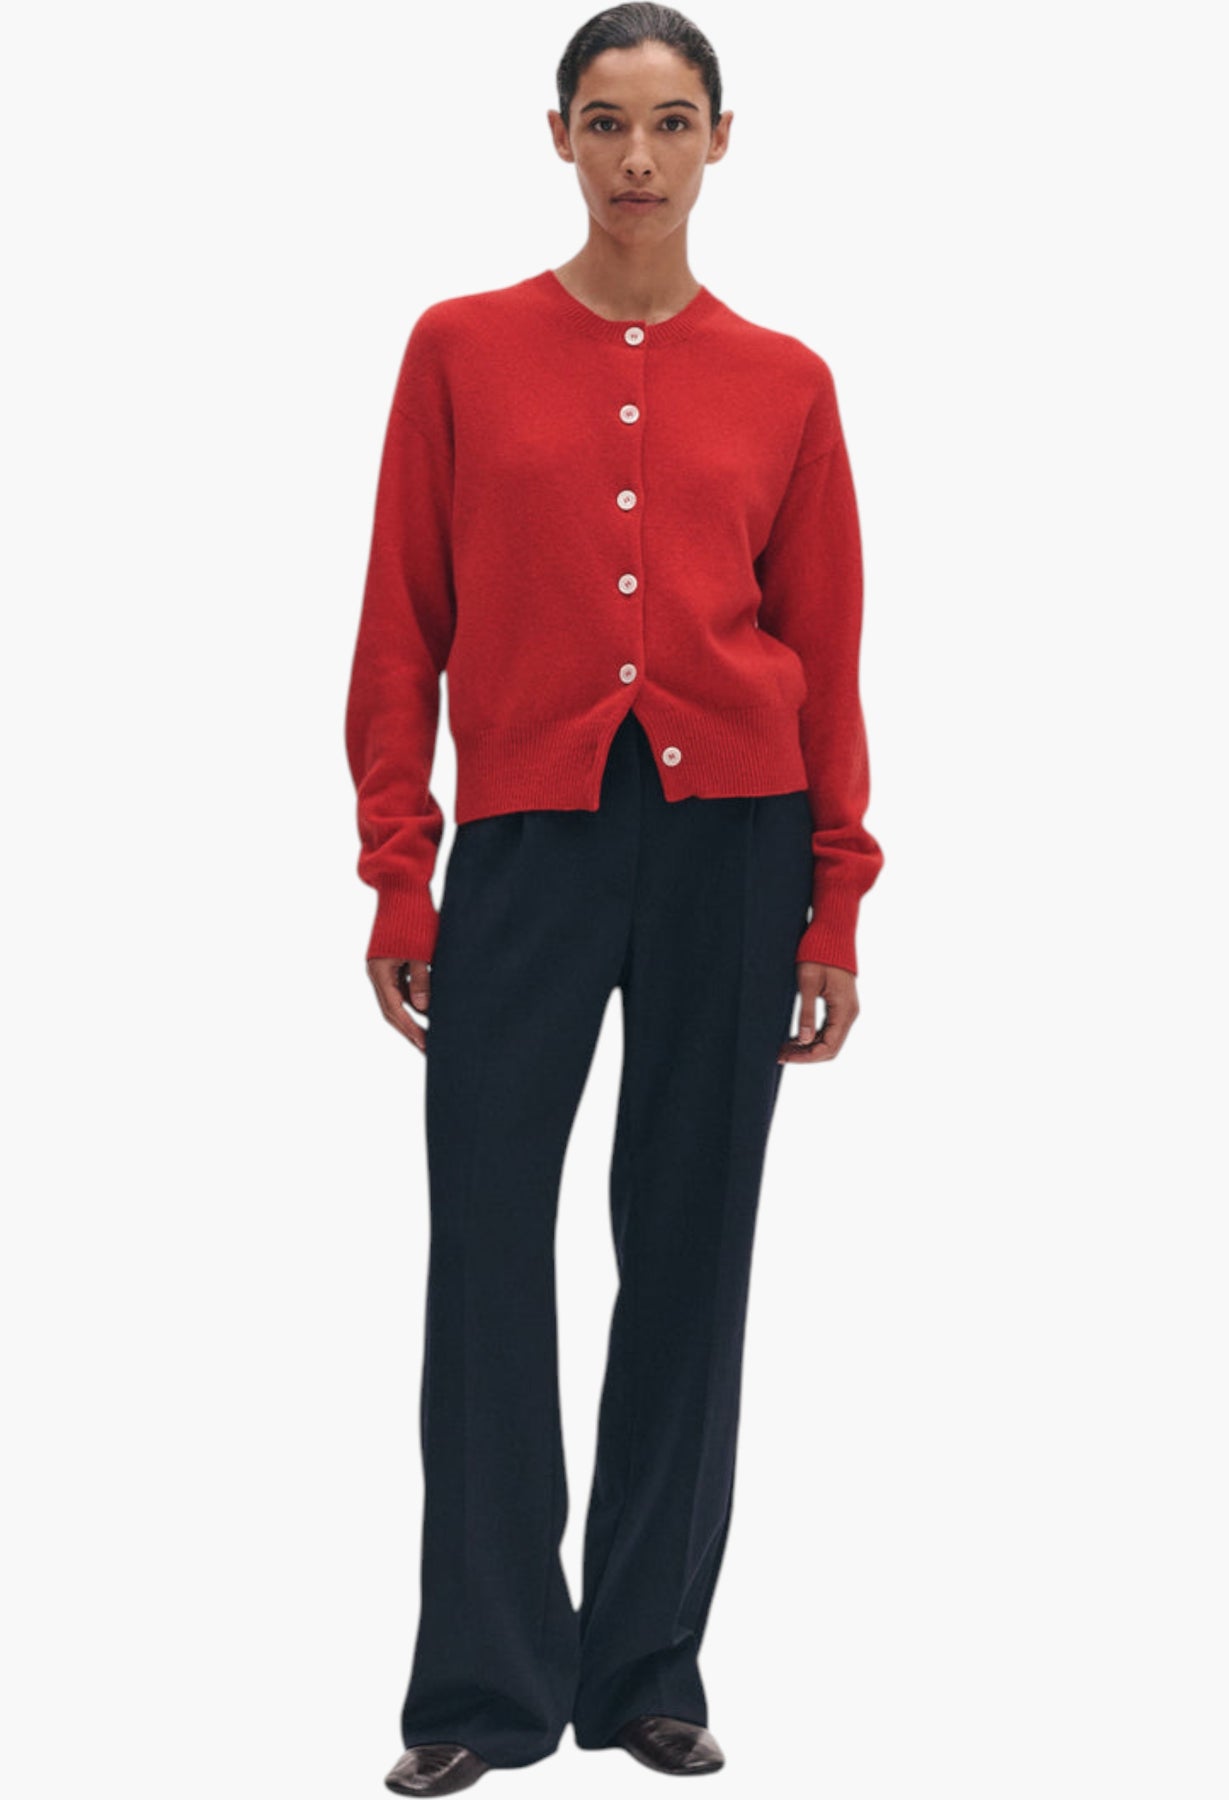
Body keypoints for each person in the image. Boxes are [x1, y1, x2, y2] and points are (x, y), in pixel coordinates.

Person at [344, 5, 884, 1792]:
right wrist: (399, 867)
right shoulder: (459, 349)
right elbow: (400, 623)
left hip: (736, 842)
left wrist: (833, 897)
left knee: (691, 1252)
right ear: (558, 137)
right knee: (488, 1255)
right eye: (603, 121)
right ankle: (480, 1691)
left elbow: (824, 653)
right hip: (526, 842)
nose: (635, 157)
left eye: (667, 122)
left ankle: (647, 1664)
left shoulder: (787, 381)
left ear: (721, 138)